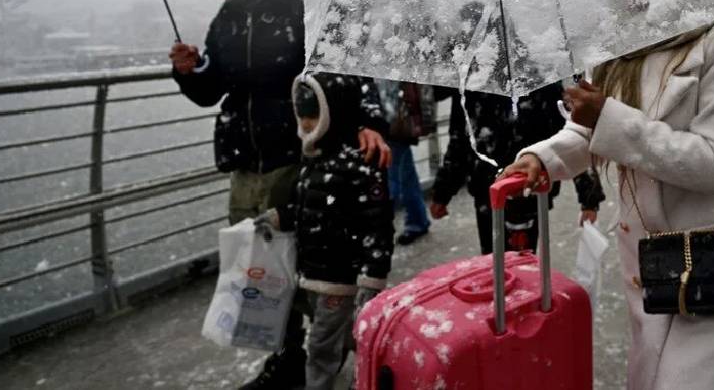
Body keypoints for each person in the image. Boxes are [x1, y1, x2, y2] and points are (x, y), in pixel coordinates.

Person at [504, 14, 714, 390]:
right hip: (652, 262)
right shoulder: (615, 35)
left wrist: (608, 118)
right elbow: (588, 130)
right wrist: (544, 157)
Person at [168, 0, 312, 388]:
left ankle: (325, 342)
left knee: (297, 261)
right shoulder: (226, 20)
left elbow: (321, 76)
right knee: (257, 266)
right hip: (244, 161)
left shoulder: (295, 8)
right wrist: (190, 71)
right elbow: (213, 90)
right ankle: (288, 356)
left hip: (290, 156)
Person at [255, 73, 392, 390]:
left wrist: (372, 280)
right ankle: (383, 367)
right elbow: (307, 207)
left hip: (339, 279)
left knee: (320, 347)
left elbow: (378, 228)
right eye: (302, 115)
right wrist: (277, 217)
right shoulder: (314, 159)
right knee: (345, 333)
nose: (305, 123)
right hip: (316, 273)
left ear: (335, 114)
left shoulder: (358, 166)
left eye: (313, 115)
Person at [429, 85, 605, 255]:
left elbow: (569, 142)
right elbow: (459, 142)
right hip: (489, 191)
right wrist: (442, 192)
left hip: (529, 189)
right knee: (493, 259)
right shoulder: (470, 88)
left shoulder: (542, 85)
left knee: (524, 260)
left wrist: (589, 198)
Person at [375, 79, 436, 245]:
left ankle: (380, 234)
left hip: (391, 126)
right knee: (406, 177)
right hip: (400, 126)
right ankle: (417, 221)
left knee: (390, 182)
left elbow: (386, 96)